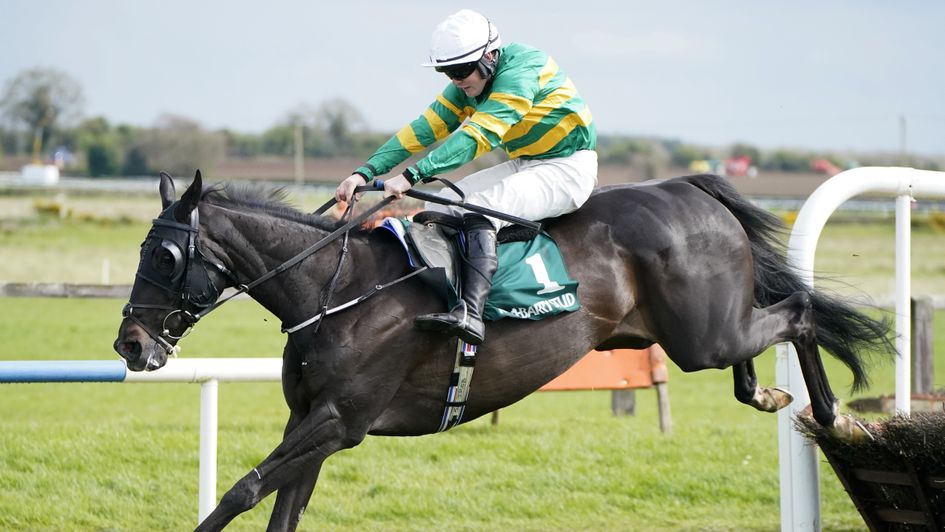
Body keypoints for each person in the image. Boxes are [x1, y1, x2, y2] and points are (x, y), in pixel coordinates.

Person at [336, 9, 597, 345]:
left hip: (569, 167)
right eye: (447, 72)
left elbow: (480, 135)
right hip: (528, 162)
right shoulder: (470, 83)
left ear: (490, 56)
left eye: (461, 70)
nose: (456, 80)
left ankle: (472, 314)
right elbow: (423, 129)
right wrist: (365, 171)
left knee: (480, 207)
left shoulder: (523, 68)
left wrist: (413, 175)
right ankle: (443, 296)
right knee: (445, 205)